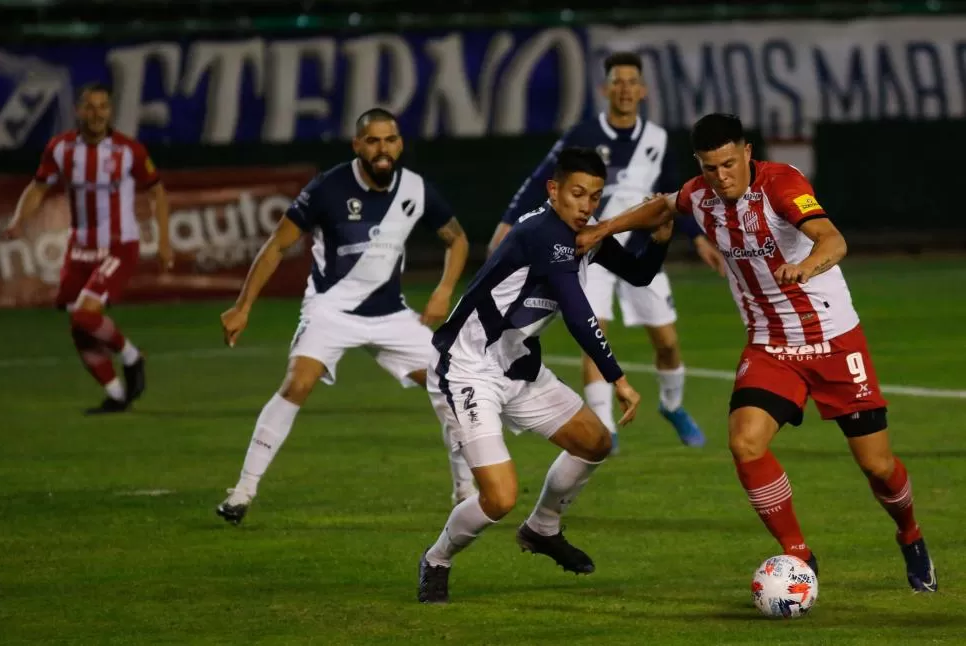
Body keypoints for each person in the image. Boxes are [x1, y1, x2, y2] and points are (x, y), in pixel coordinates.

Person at [576, 113, 937, 593]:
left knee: (877, 466)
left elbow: (834, 239)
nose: (721, 176)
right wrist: (604, 229)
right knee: (745, 442)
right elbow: (661, 207)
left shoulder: (781, 184)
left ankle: (910, 535)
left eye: (728, 163)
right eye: (710, 167)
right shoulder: (699, 195)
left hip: (833, 341)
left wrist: (806, 266)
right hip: (769, 346)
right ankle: (799, 556)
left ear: (747, 152)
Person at [417, 147, 674, 604]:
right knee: (498, 498)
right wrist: (618, 378)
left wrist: (659, 239)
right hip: (470, 368)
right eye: (577, 194)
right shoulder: (540, 232)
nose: (586, 206)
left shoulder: (583, 232)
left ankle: (542, 529)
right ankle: (437, 559)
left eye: (595, 197)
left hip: (517, 365)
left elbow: (637, 274)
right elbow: (577, 314)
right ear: (553, 190)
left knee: (595, 442)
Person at [216, 108, 475, 525]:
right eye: (372, 141)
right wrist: (243, 306)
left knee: (452, 386)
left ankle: (466, 491)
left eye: (389, 140)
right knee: (297, 383)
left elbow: (457, 239)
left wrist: (444, 290)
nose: (382, 149)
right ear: (357, 145)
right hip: (331, 310)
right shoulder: (327, 188)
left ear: (400, 143)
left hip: (390, 315)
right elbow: (278, 245)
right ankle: (242, 492)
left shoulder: (415, 189)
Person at [490, 52, 725, 452]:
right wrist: (509, 221)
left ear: (643, 90)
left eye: (632, 82)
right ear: (605, 89)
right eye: (617, 81)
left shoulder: (657, 139)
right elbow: (541, 178)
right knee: (593, 329)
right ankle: (604, 426)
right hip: (590, 247)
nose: (625, 89)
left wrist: (699, 237)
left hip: (635, 248)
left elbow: (673, 196)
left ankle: (673, 407)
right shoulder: (582, 134)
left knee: (667, 341)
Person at [1, 82, 173, 414]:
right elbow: (38, 187)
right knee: (78, 327)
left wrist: (164, 240)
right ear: (79, 111)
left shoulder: (128, 150)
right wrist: (20, 220)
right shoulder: (60, 148)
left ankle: (132, 357)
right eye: (90, 107)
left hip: (119, 246)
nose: (97, 114)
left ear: (110, 111)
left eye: (103, 107)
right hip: (79, 248)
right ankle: (117, 395)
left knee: (85, 314)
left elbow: (157, 192)